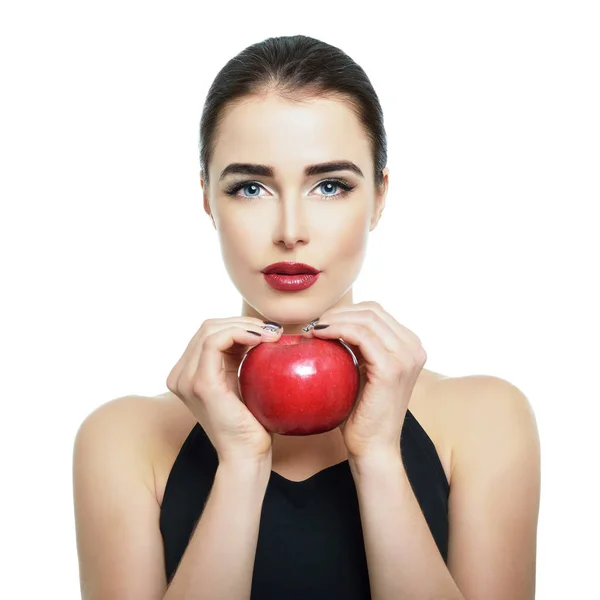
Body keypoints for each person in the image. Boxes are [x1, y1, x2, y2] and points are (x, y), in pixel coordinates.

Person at [72, 35, 541, 600]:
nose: (290, 229)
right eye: (250, 187)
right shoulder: (122, 440)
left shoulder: (487, 420)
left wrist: (379, 456)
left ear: (380, 197)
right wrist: (241, 467)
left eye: (329, 186)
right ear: (207, 201)